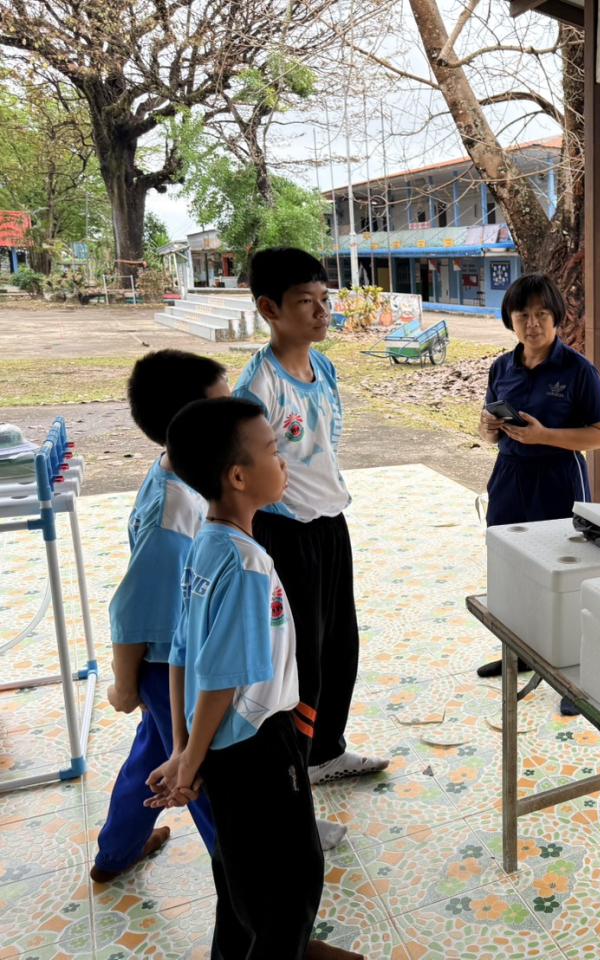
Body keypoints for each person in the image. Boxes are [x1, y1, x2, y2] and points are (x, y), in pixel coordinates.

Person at [149, 397, 360, 960]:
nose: (283, 458)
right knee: (292, 879)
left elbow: (179, 656)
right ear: (239, 477)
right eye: (272, 450)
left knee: (240, 870)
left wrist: (183, 749)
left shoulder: (206, 546)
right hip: (258, 747)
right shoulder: (246, 564)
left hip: (220, 747)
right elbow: (219, 677)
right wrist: (187, 765)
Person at [235, 248, 387, 791]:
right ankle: (293, 776)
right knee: (301, 659)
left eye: (325, 300)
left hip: (329, 525)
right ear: (269, 309)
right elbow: (246, 475)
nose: (322, 313)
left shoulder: (324, 368)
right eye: (306, 302)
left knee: (340, 645)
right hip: (284, 532)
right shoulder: (258, 389)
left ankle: (326, 751)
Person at [91, 350, 227, 885]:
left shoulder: (184, 470)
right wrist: (126, 685)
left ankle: (116, 852)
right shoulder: (173, 514)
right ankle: (256, 905)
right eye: (222, 407)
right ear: (187, 425)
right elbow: (134, 609)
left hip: (175, 662)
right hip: (170, 668)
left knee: (153, 753)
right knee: (201, 779)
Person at [475, 273, 600, 717]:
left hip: (560, 478)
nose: (532, 324)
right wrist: (487, 430)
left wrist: (545, 436)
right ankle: (516, 652)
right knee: (510, 567)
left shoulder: (578, 370)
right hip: (510, 477)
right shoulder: (502, 367)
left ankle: (574, 675)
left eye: (541, 315)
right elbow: (492, 429)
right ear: (510, 319)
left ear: (556, 319)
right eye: (522, 315)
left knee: (565, 574)